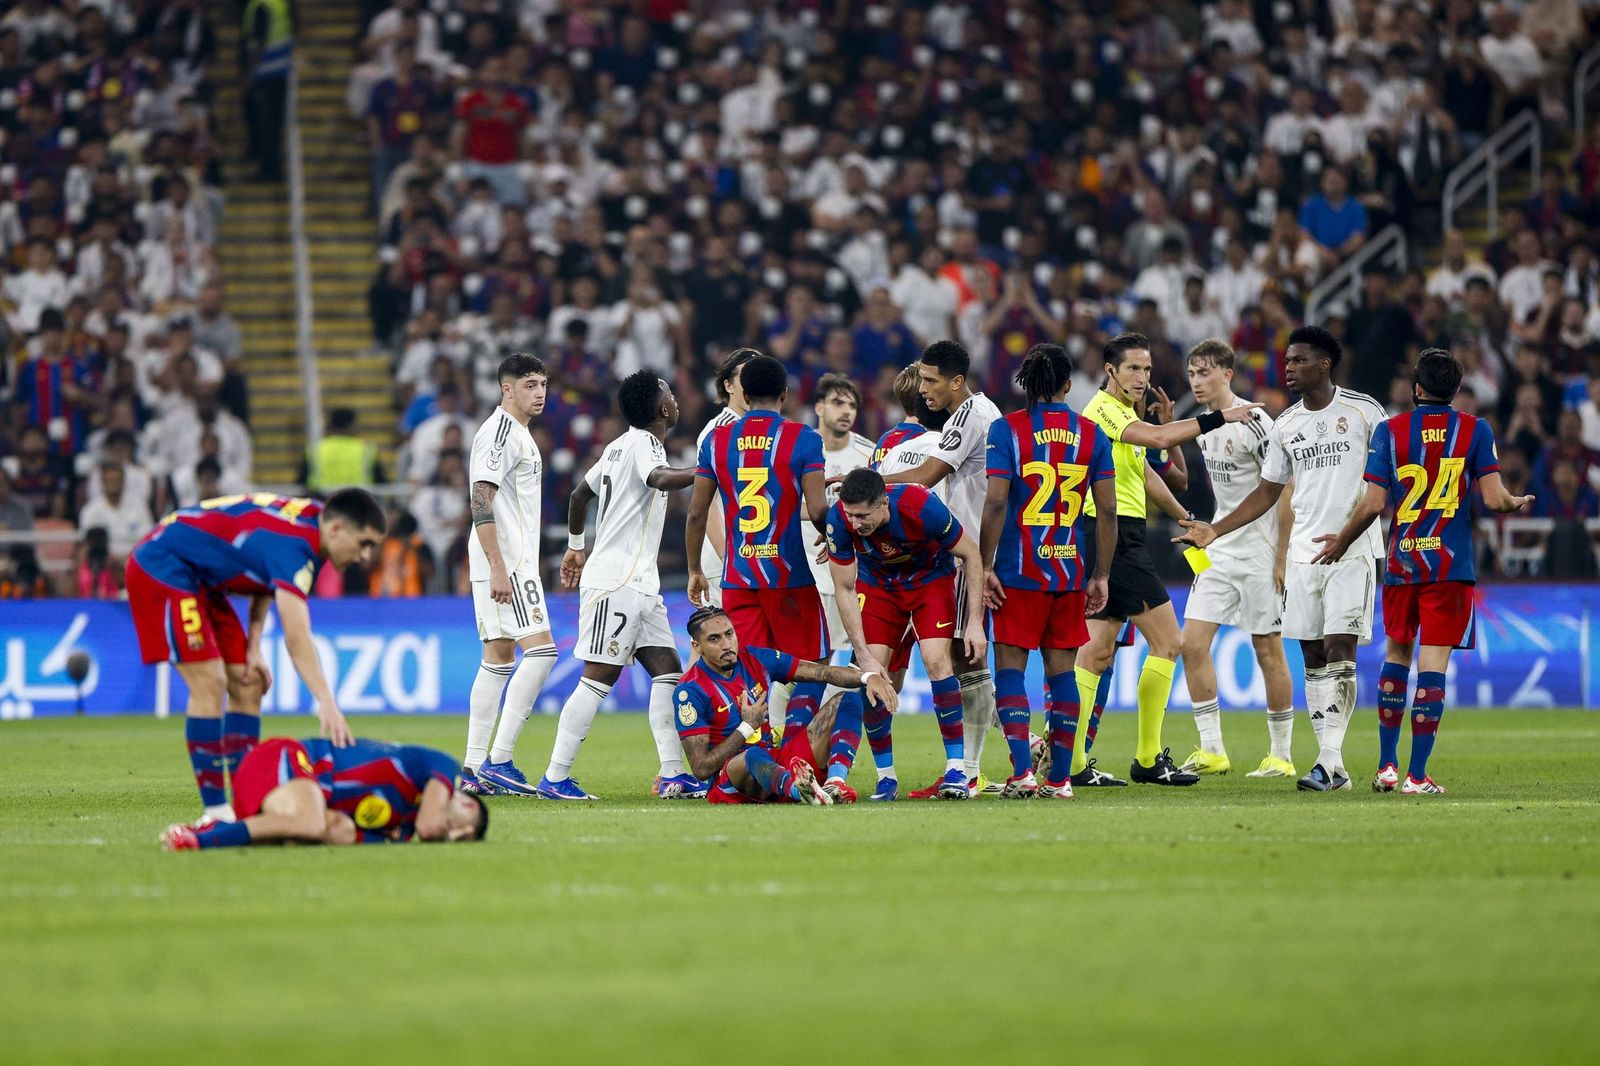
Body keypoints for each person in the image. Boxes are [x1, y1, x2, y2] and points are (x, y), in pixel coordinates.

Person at [1310, 349, 1534, 794]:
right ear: (1456, 390)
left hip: (1402, 561)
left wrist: (1341, 539)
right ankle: (1417, 775)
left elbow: (1374, 504)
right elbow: (1493, 499)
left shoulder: (1390, 431)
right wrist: (1513, 501)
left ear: (1417, 388)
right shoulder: (1475, 429)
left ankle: (1387, 768)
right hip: (1449, 567)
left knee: (1397, 657)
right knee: (1433, 665)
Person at [1176, 325, 1387, 793]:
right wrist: (1215, 530)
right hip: (1300, 556)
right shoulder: (1289, 424)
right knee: (1312, 653)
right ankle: (1324, 765)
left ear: (1324, 364)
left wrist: (1328, 540)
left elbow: (1388, 477)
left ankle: (1327, 761)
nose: (1288, 368)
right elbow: (1268, 492)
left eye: (1298, 361)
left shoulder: (1363, 410)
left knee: (1338, 648)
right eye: (1287, 361)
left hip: (1350, 550)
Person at [126, 489, 386, 823]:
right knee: (210, 683)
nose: (365, 556)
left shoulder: (311, 523)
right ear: (336, 529)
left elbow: (265, 575)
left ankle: (246, 803)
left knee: (248, 684)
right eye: (364, 543)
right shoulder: (296, 548)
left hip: (202, 578)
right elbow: (297, 636)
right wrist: (326, 700)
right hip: (164, 566)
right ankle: (216, 812)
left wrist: (254, 645)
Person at [1070, 332, 1259, 789]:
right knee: (1169, 643)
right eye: (1133, 368)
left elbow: (1154, 474)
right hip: (1113, 534)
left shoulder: (1125, 416)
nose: (1142, 377)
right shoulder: (1103, 411)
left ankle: (1071, 761)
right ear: (1110, 370)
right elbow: (1155, 437)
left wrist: (1186, 518)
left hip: (1115, 535)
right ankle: (1147, 758)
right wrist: (1218, 418)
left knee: (1095, 653)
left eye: (1148, 369)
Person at [549, 372, 701, 800]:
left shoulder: (617, 446)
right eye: (669, 392)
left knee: (669, 672)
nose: (674, 397)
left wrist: (577, 547)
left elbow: (580, 496)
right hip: (617, 582)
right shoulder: (644, 444)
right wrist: (709, 468)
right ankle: (556, 777)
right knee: (598, 676)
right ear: (661, 409)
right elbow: (660, 479)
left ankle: (673, 773)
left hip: (640, 584)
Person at [979, 344, 1116, 800]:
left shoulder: (1007, 430)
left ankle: (1021, 773)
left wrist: (984, 564)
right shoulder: (1093, 434)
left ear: (1026, 384)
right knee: (1062, 677)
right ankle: (1059, 780)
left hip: (1018, 572)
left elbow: (997, 501)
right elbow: (1109, 512)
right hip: (1069, 571)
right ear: (1066, 384)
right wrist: (1101, 575)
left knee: (1011, 672)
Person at [685, 354, 835, 751]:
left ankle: (757, 755)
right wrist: (833, 533)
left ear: (745, 395)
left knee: (746, 669)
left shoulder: (717, 440)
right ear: (785, 395)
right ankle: (797, 753)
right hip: (789, 580)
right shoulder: (804, 438)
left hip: (738, 579)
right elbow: (819, 510)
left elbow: (698, 511)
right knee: (812, 665)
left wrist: (694, 568)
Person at [879, 341, 1006, 796]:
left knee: (966, 658)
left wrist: (867, 484)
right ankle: (1001, 757)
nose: (923, 388)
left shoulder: (973, 414)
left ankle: (971, 771)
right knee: (967, 659)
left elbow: (926, 477)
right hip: (972, 549)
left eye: (931, 380)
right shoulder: (970, 414)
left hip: (971, 553)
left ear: (956, 381)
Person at [826, 468, 986, 801]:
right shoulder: (838, 519)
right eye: (851, 516)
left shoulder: (920, 504)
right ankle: (886, 777)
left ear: (884, 502)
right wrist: (865, 657)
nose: (856, 524)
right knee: (873, 675)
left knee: (936, 660)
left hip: (931, 582)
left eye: (863, 516)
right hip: (879, 588)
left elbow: (971, 554)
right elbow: (843, 588)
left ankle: (956, 770)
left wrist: (974, 622)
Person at [1177, 341, 1298, 779]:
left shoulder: (1256, 421)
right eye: (1192, 373)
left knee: (1267, 648)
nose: (1197, 381)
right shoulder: (1206, 423)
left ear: (1228, 373)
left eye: (1205, 373)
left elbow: (1285, 490)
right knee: (1190, 643)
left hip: (1259, 551)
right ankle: (1212, 749)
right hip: (1218, 546)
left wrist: (1283, 555)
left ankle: (1281, 756)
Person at [673, 606, 897, 806]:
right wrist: (747, 727)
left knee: (847, 699)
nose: (726, 644)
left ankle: (834, 783)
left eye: (729, 634)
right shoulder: (690, 691)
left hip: (777, 764)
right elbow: (701, 769)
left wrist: (867, 677)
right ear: (697, 646)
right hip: (733, 782)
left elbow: (822, 671)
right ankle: (801, 791)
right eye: (714, 639)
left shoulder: (755, 659)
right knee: (752, 756)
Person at [461, 354, 558, 797]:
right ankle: (499, 760)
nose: (539, 392)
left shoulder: (516, 433)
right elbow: (480, 500)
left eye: (543, 384)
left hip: (504, 560)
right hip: (507, 562)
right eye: (530, 384)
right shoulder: (500, 434)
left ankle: (473, 766)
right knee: (542, 654)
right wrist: (499, 567)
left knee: (498, 659)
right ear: (507, 389)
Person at [161, 736, 487, 850]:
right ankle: (198, 838)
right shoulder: (442, 766)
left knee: (321, 831)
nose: (452, 834)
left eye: (458, 839)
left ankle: (226, 832)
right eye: (462, 827)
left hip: (288, 796)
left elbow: (342, 831)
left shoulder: (399, 830)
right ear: (466, 803)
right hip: (287, 759)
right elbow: (429, 826)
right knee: (311, 824)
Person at [804, 373, 876, 791]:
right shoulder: (803, 448)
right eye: (836, 402)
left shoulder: (867, 454)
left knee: (845, 668)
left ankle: (827, 749)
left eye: (851, 404)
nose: (846, 411)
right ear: (819, 407)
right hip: (806, 577)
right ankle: (788, 739)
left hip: (851, 580)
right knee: (806, 664)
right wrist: (827, 525)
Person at [691, 349, 756, 611]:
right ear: (728, 385)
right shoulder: (721, 431)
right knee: (725, 645)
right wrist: (729, 559)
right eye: (745, 377)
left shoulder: (761, 427)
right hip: (728, 563)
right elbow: (706, 504)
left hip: (756, 558)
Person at [241, 0, 291, 182]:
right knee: (273, 125)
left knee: (267, 125)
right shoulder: (279, 3)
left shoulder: (260, 5)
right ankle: (270, 165)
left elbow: (259, 41)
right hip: (280, 70)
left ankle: (269, 168)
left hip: (265, 73)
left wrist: (250, 73)